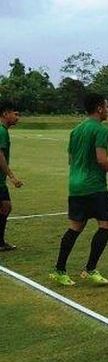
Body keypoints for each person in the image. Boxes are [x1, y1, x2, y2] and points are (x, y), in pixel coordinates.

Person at [50, 93, 108, 286]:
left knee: (75, 227)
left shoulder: (76, 130)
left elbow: (70, 160)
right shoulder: (101, 130)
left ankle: (59, 270)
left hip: (75, 186)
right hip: (94, 186)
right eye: (107, 107)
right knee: (106, 225)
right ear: (99, 108)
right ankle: (90, 269)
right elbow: (101, 159)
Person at [0, 102, 23, 252]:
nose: (18, 117)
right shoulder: (1, 131)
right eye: (15, 114)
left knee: (4, 207)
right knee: (6, 207)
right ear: (5, 114)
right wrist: (12, 176)